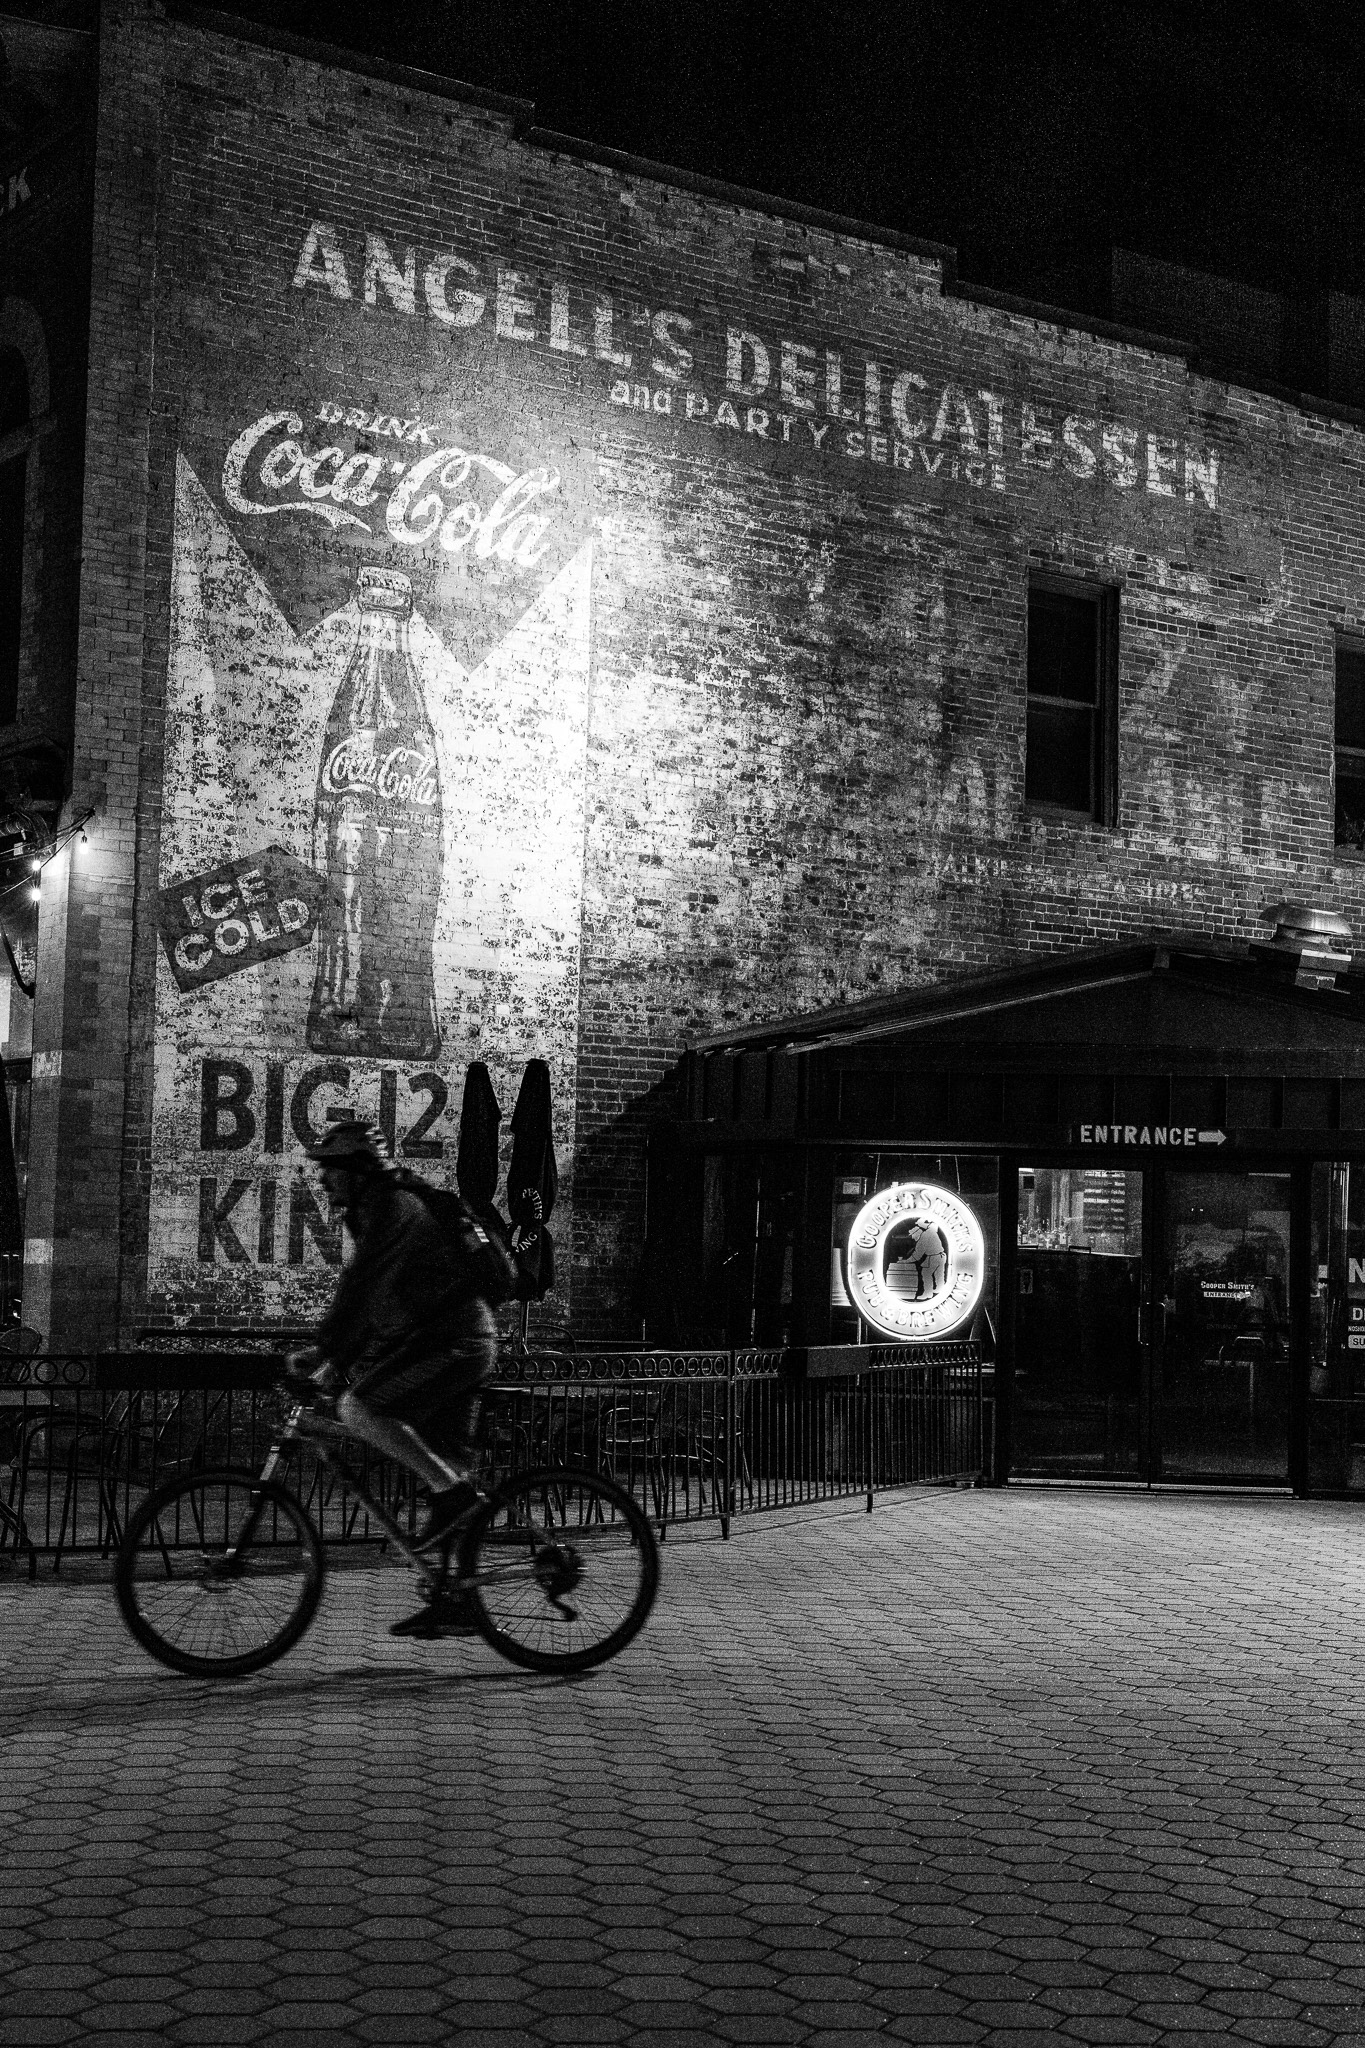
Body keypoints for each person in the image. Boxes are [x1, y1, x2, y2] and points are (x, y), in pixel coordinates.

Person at [289, 1121, 499, 1637]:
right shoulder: (374, 1211)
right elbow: (380, 1303)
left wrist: (322, 1351)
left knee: (360, 1409)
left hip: (456, 1343)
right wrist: (337, 1361)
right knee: (445, 1469)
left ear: (359, 1172)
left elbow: (360, 1288)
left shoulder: (393, 1208)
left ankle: (454, 1497)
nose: (324, 1182)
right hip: (440, 1342)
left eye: (331, 1171)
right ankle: (458, 1600)